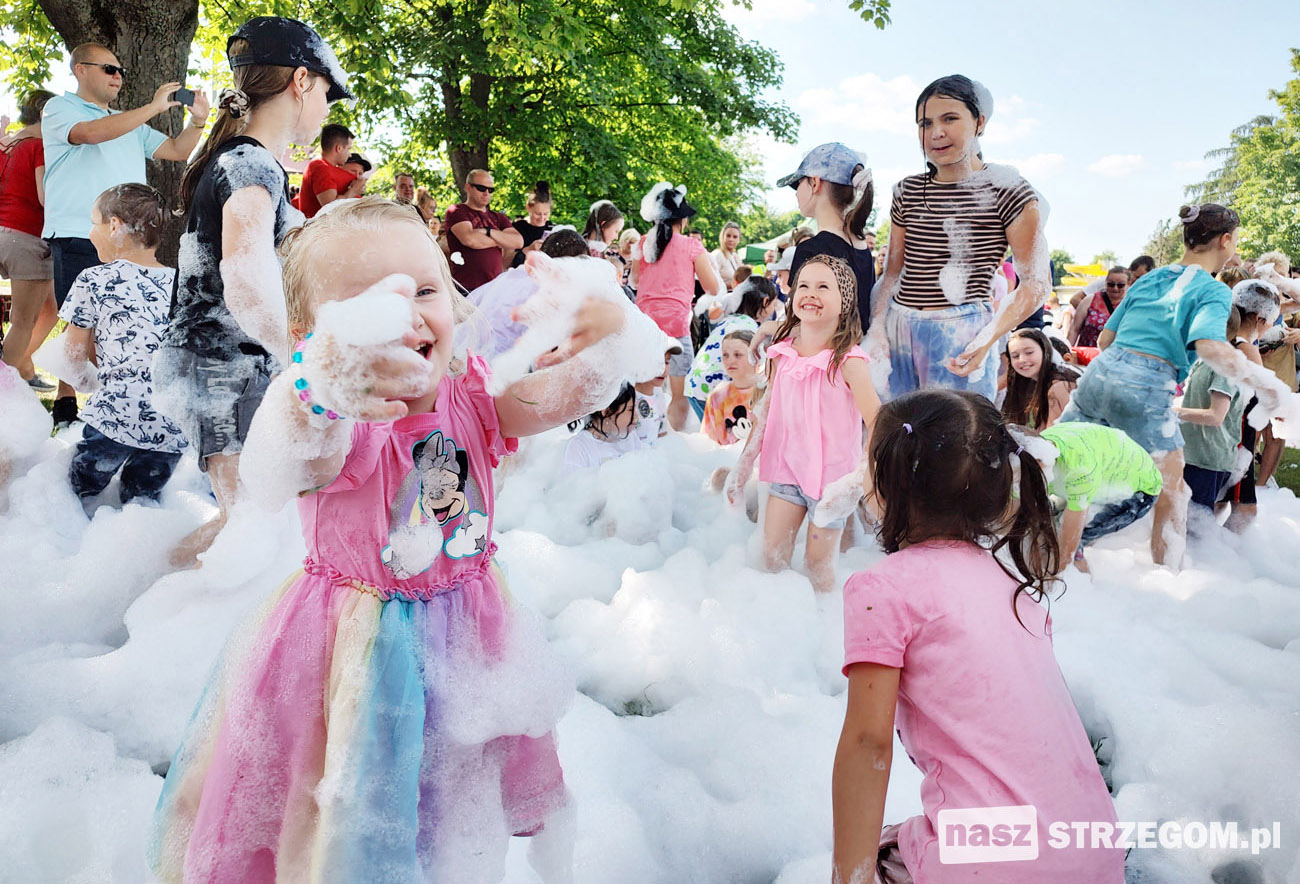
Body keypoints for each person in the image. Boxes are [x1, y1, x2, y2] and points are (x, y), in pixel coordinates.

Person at [148, 194, 639, 882]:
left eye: (427, 289)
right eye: (367, 300)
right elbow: (281, 466)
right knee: (352, 812)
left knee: (449, 813)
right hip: (354, 644)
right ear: (306, 331)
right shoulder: (335, 416)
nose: (406, 313)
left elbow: (568, 395)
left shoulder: (471, 395)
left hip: (470, 631)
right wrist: (316, 389)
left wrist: (613, 331)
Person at [832, 389, 1125, 884]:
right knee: (903, 836)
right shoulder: (1016, 588)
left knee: (881, 853)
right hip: (1093, 852)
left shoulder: (882, 588)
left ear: (886, 482)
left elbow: (867, 744)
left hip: (993, 867)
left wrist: (849, 878)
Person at [153, 15, 348, 568]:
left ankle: (145, 606)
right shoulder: (250, 163)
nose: (330, 109)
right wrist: (300, 360)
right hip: (222, 363)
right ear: (301, 82)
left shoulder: (243, 159)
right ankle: (142, 612)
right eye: (329, 93)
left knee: (254, 521)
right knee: (251, 523)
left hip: (221, 362)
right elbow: (243, 278)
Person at [1057, 203, 1296, 568]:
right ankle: (1167, 581)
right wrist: (1271, 388)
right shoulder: (1213, 291)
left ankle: (1048, 547)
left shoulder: (1150, 279)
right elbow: (1210, 347)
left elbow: (1106, 340)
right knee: (1171, 492)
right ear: (1227, 241)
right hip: (1147, 386)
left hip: (1099, 377)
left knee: (1060, 460)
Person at [41, 42, 210, 427]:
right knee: (81, 327)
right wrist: (152, 107)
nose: (118, 77)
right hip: (79, 232)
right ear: (80, 69)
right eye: (109, 69)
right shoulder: (60, 108)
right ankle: (69, 410)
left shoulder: (128, 122)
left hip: (129, 241)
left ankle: (114, 407)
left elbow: (177, 151)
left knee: (121, 324)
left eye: (121, 71)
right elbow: (88, 134)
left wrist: (197, 122)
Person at [869, 75, 1049, 401]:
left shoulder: (1008, 189)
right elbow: (892, 273)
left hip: (962, 333)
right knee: (895, 440)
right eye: (925, 123)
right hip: (899, 329)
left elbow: (1036, 283)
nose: (936, 132)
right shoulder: (906, 190)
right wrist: (878, 328)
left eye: (949, 118)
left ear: (979, 122)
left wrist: (987, 339)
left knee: (952, 443)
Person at [727, 255, 881, 593]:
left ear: (845, 302)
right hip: (786, 471)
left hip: (832, 483)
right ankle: (778, 627)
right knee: (770, 559)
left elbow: (878, 423)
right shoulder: (782, 354)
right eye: (804, 286)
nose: (811, 293)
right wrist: (742, 468)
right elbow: (765, 415)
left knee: (818, 568)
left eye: (823, 286)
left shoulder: (849, 361)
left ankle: (822, 629)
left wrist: (861, 480)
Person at [57, 184, 186, 505]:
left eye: (93, 223)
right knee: (140, 504)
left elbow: (72, 355)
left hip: (116, 415)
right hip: (172, 424)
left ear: (114, 226)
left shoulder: (93, 279)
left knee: (74, 496)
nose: (89, 233)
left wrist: (90, 384)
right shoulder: (181, 284)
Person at [1178, 281, 1279, 529]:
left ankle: (1216, 554)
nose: (1269, 328)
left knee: (1217, 503)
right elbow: (1264, 393)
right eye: (1269, 322)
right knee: (1237, 508)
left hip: (1226, 440)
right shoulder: (1243, 348)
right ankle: (1220, 557)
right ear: (1257, 318)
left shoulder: (1227, 347)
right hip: (1232, 438)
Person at [631, 182, 721, 430]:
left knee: (643, 390)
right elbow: (712, 287)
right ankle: (674, 442)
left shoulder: (643, 243)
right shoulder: (692, 246)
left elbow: (636, 280)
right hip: (677, 326)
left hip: (645, 325)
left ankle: (645, 437)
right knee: (680, 394)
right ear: (682, 220)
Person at [1022, 421, 1164, 572]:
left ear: (1043, 463)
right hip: (1099, 467)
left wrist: (1060, 570)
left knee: (1062, 542)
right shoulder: (1035, 447)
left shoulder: (1079, 468)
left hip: (1138, 490)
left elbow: (1068, 545)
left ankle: (1081, 581)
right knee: (1041, 519)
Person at [775, 142, 874, 333]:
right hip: (857, 355)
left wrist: (768, 329)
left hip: (824, 359)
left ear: (814, 182)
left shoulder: (811, 249)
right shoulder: (862, 247)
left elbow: (802, 326)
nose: (796, 192)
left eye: (798, 183)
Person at [0, 88, 57, 390]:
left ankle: (23, 366)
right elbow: (45, 197)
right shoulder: (40, 146)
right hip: (26, 236)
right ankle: (6, 388)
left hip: (2, 233)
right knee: (22, 321)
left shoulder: (4, 143)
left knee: (51, 306)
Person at [686, 276, 779, 418]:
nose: (774, 309)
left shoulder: (729, 320)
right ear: (766, 302)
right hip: (714, 391)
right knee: (723, 434)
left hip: (695, 383)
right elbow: (758, 364)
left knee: (711, 435)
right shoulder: (750, 329)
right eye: (773, 304)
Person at [445, 168, 521, 291]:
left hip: (493, 288)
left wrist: (488, 232)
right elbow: (470, 240)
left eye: (490, 190)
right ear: (468, 187)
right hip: (465, 289)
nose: (486, 193)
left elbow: (518, 242)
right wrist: (502, 240)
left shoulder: (499, 217)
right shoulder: (457, 211)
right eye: (481, 188)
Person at [1001, 327, 1078, 429]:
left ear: (1045, 351)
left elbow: (1054, 437)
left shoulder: (1060, 386)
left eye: (1029, 352)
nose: (1022, 359)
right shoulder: (1028, 383)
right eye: (1015, 356)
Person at [564, 382, 643, 473]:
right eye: (630, 409)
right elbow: (573, 485)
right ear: (607, 411)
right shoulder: (580, 448)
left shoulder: (632, 438)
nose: (636, 416)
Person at [701, 329, 760, 446]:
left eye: (738, 355)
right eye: (725, 355)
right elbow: (710, 442)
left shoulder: (769, 391)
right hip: (728, 459)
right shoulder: (718, 396)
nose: (730, 361)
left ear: (755, 356)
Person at [298, 122, 364, 218]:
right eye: (348, 149)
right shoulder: (321, 167)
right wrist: (353, 191)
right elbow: (330, 208)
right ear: (339, 148)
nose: (349, 155)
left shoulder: (327, 167)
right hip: (320, 230)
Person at [1068, 266, 1128, 348]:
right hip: (1087, 356)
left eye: (1120, 285)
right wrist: (1066, 352)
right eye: (1111, 284)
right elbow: (1074, 329)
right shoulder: (1089, 300)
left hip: (1116, 357)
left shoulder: (1130, 306)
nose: (1115, 288)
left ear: (1128, 285)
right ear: (1105, 283)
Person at [509, 181, 553, 268]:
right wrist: (528, 250)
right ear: (528, 208)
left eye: (545, 214)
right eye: (537, 213)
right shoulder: (517, 228)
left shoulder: (552, 228)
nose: (541, 218)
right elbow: (506, 262)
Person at [710, 221, 743, 290]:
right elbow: (709, 281)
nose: (731, 239)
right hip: (720, 297)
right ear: (722, 237)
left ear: (739, 240)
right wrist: (732, 285)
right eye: (728, 236)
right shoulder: (717, 254)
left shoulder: (735, 256)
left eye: (735, 237)